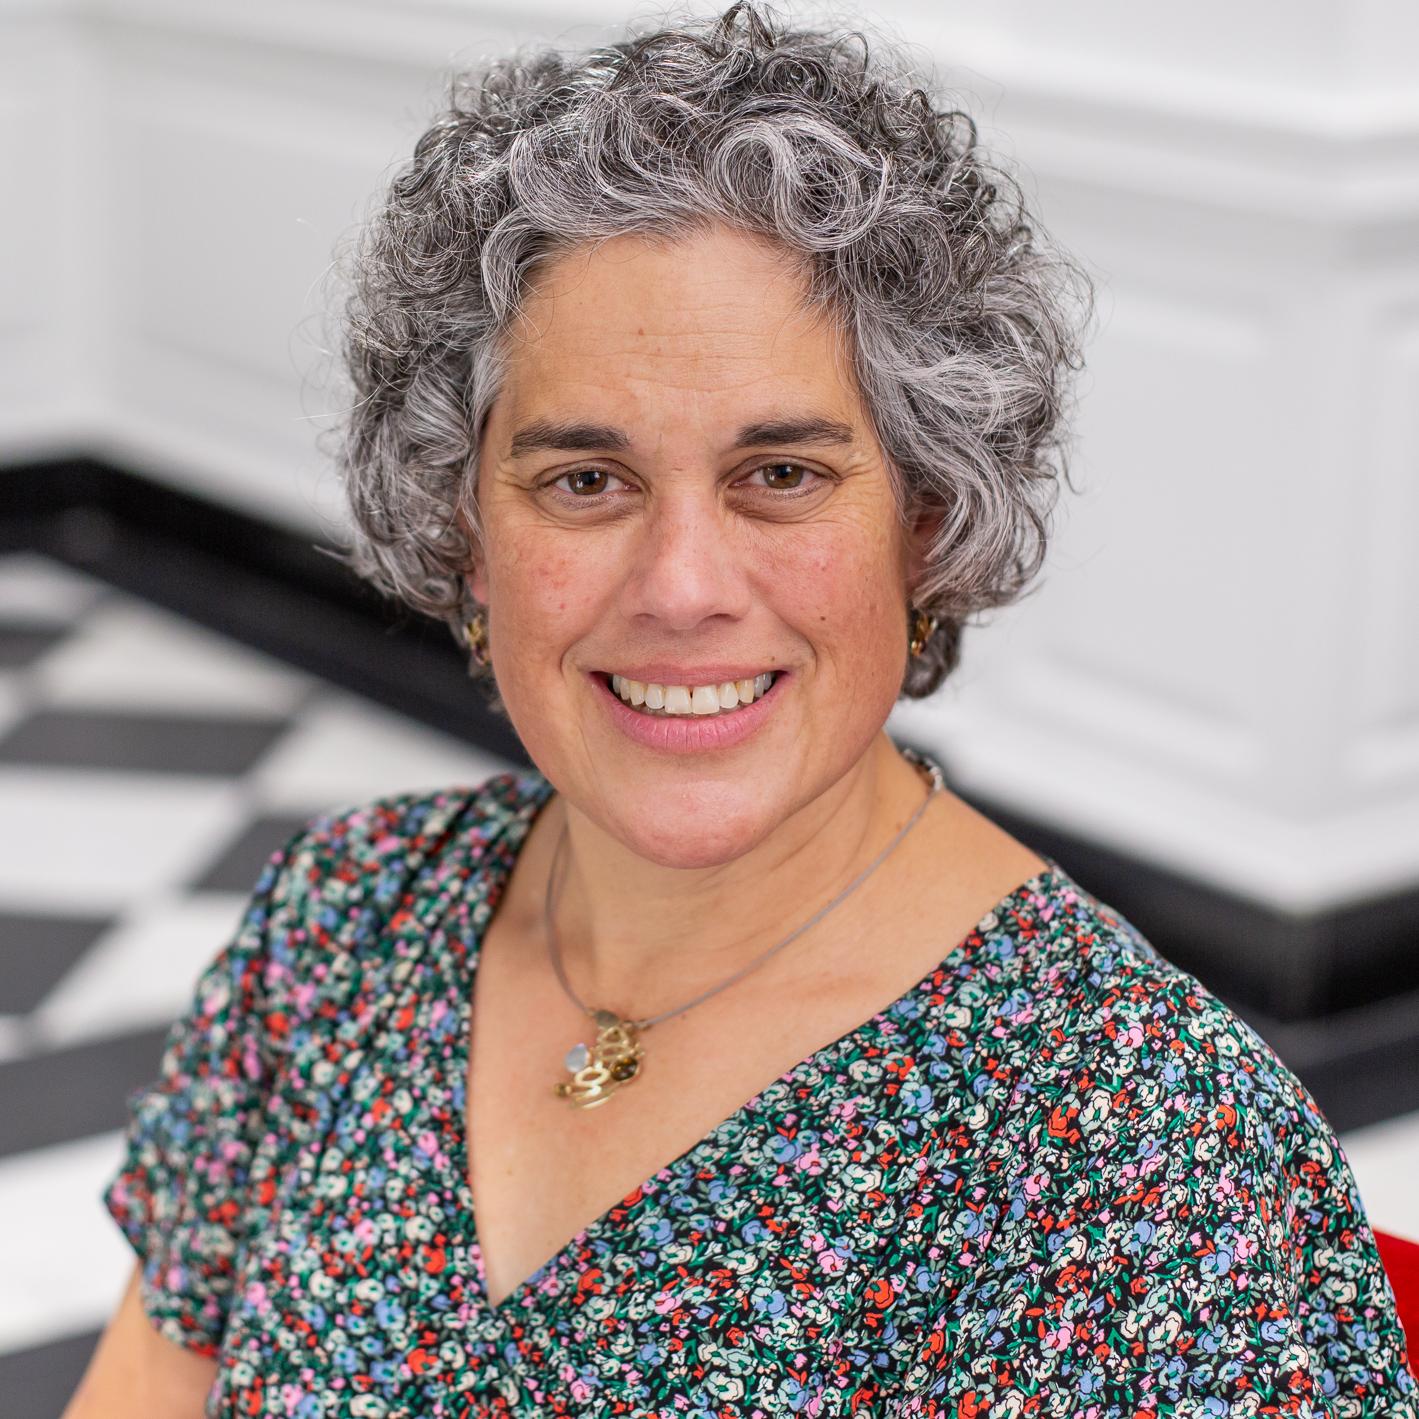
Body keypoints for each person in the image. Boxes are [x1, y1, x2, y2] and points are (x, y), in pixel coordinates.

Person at [66, 2, 1416, 1415]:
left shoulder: (1143, 1150)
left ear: (932, 523)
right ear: (463, 531)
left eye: (782, 474)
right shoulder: (343, 925)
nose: (683, 586)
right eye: (585, 480)